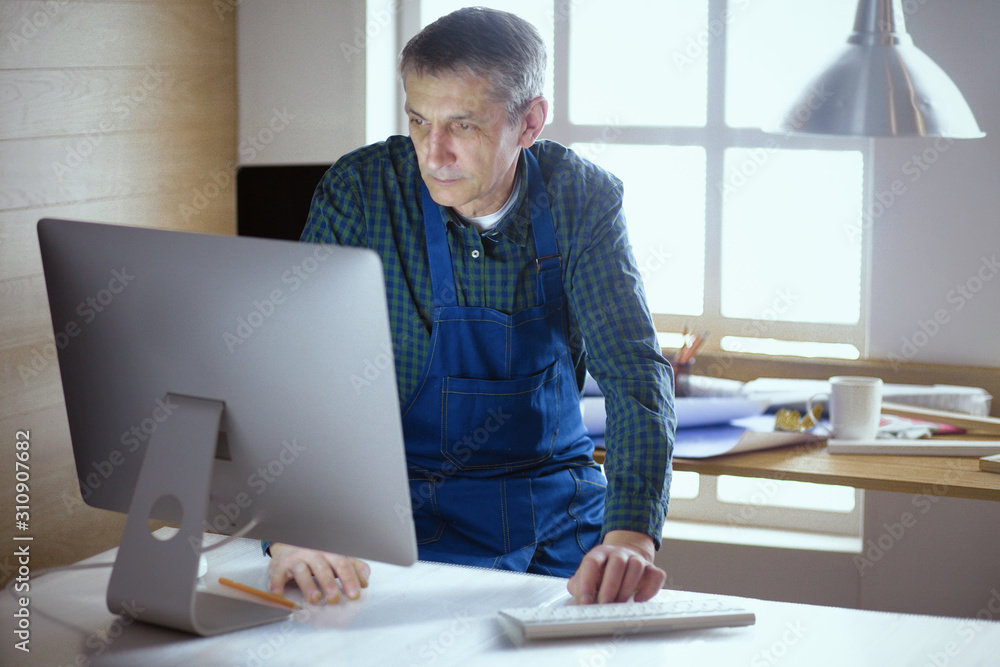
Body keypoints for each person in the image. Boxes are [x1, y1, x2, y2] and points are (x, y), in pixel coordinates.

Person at [266, 6, 675, 606]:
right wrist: (294, 530)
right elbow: (297, 371)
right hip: (400, 511)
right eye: (418, 121)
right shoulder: (361, 190)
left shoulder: (582, 198)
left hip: (555, 514)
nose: (434, 154)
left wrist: (632, 538)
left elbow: (634, 372)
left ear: (529, 122)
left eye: (463, 127)